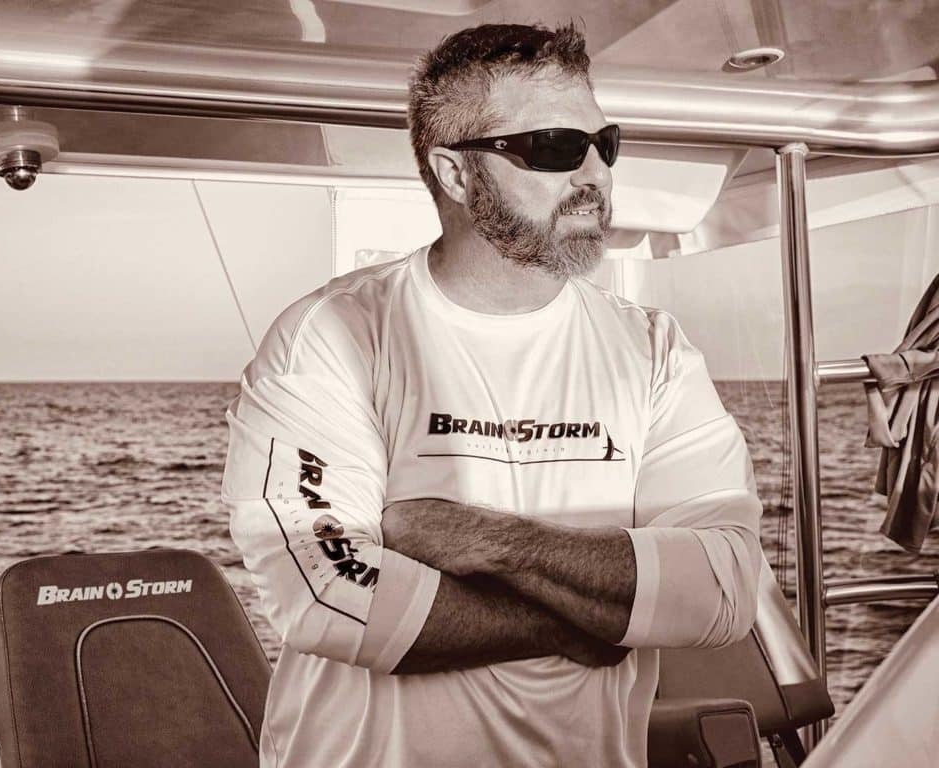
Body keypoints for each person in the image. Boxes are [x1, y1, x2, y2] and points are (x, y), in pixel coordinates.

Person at [222, 22, 763, 768]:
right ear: (453, 173)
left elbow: (725, 587)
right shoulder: (331, 338)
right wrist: (571, 624)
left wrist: (487, 543)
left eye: (604, 143)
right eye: (553, 149)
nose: (595, 175)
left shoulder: (653, 351)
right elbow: (328, 593)